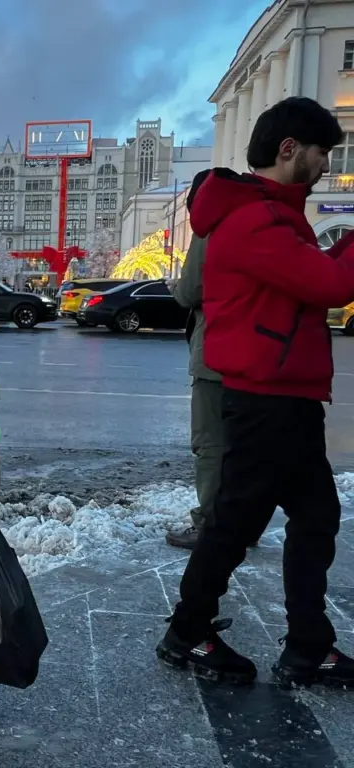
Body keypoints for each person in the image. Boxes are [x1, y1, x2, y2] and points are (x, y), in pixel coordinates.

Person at [157, 97, 354, 687]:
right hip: (265, 398)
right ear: (288, 149)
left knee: (313, 517)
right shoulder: (253, 219)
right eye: (322, 153)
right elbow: (332, 283)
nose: (326, 166)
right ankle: (188, 633)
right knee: (234, 525)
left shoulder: (271, 214)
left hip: (284, 394)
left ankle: (307, 646)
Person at [167, 170, 220, 550]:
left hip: (216, 355)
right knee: (241, 446)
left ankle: (212, 526)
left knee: (211, 445)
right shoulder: (257, 219)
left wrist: (173, 286)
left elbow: (189, 291)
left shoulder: (211, 227)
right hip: (256, 356)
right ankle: (240, 523)